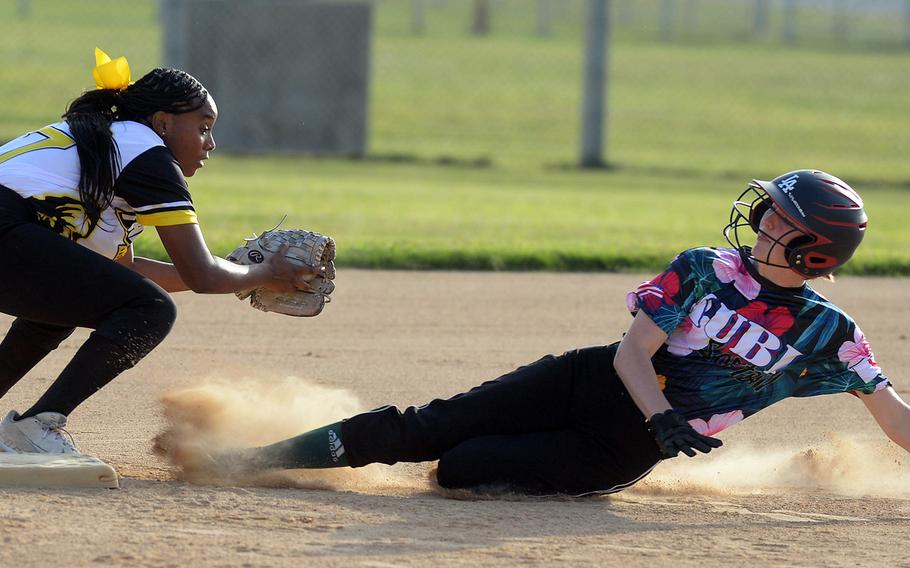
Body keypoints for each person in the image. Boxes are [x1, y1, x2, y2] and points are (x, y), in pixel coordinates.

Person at [202, 170, 910, 496]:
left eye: (781, 221)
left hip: (618, 448)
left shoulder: (829, 335)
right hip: (593, 379)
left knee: (461, 468)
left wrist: (657, 428)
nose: (762, 222)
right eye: (768, 211)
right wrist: (665, 415)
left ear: (815, 251)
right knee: (424, 427)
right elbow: (636, 352)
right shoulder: (704, 268)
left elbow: (892, 416)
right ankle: (249, 460)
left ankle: (474, 460)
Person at [0, 49, 317, 454]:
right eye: (203, 127)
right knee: (152, 310)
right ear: (163, 123)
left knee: (69, 301)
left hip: (9, 231)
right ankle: (37, 427)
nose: (211, 143)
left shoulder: (107, 139)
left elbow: (121, 269)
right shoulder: (146, 153)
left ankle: (31, 428)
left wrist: (232, 269)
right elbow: (202, 277)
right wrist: (261, 274)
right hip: (7, 231)